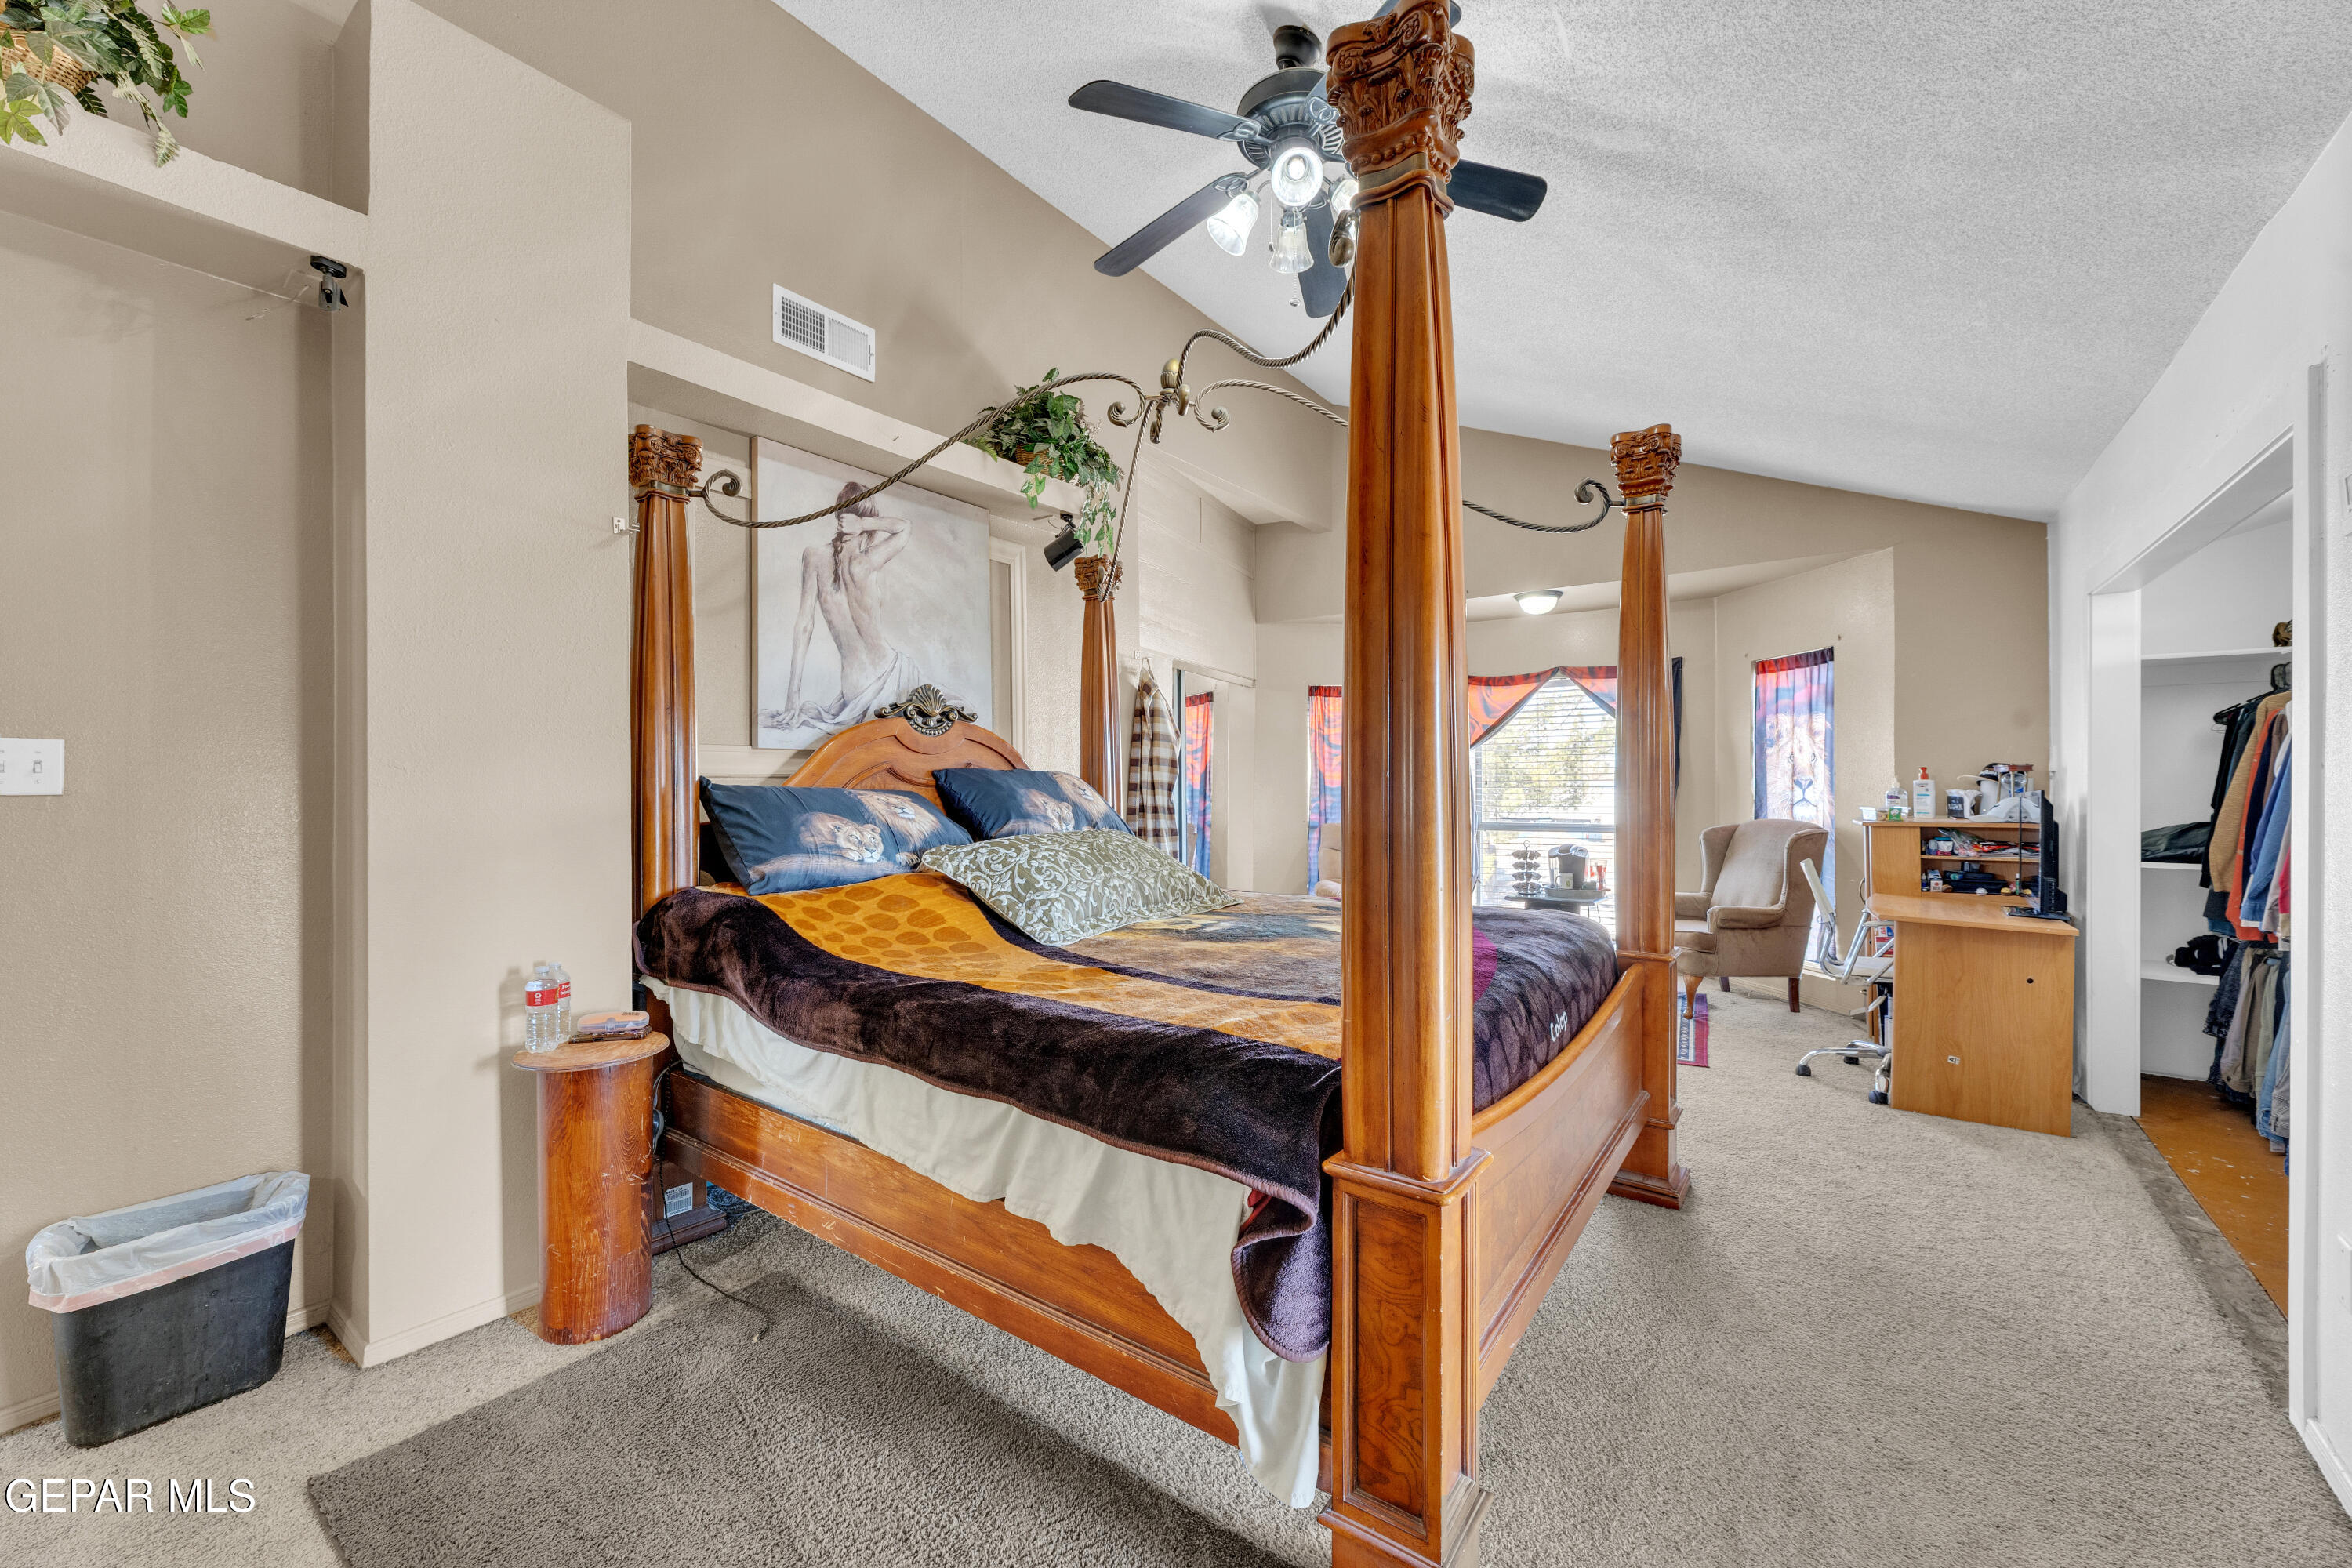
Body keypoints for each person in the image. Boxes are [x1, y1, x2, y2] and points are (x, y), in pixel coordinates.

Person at [766, 481, 917, 735]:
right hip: (887, 677)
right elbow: (903, 528)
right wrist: (792, 695)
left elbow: (805, 626)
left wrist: (793, 694)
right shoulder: (866, 560)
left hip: (874, 681)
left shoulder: (845, 557)